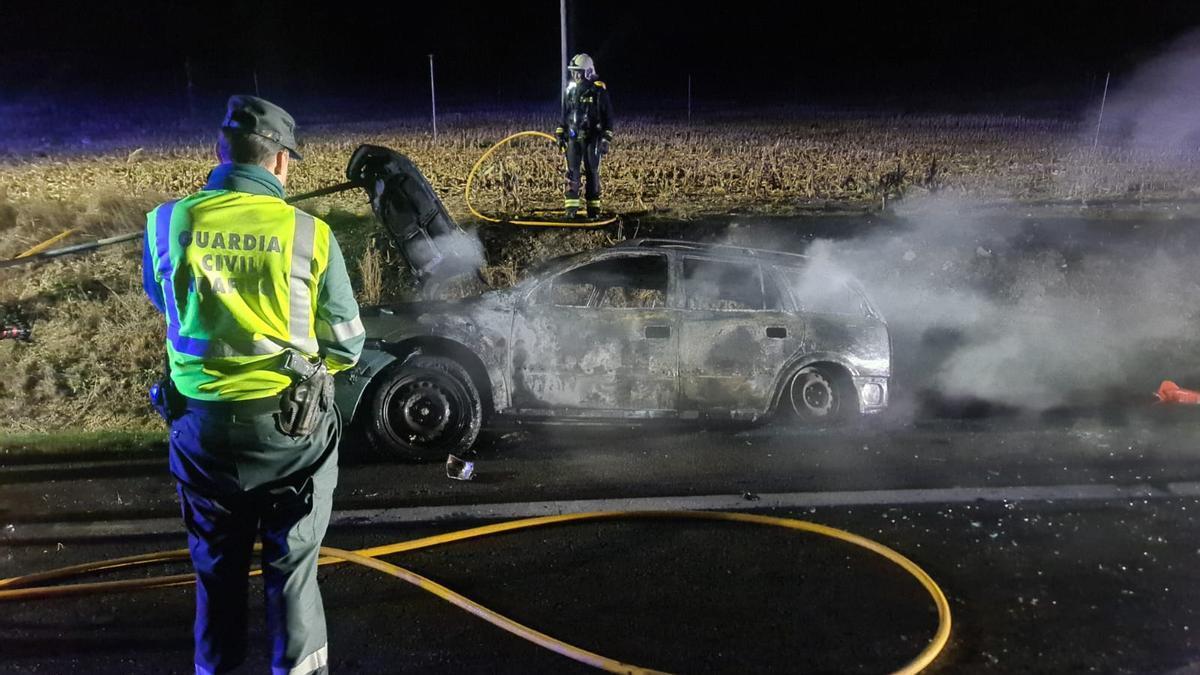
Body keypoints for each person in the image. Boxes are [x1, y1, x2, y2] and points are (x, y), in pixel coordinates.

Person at [142, 94, 364, 675]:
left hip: (200, 427)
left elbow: (164, 299)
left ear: (221, 151)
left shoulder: (167, 222)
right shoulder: (308, 234)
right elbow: (345, 342)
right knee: (292, 570)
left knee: (216, 569)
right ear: (281, 162)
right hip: (290, 433)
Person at [555, 53, 615, 219]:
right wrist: (560, 133)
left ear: (587, 72)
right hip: (573, 138)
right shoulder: (571, 91)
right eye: (574, 72)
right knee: (572, 172)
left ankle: (593, 210)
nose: (575, 75)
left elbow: (608, 118)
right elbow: (565, 115)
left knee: (592, 171)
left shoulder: (597, 91)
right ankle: (571, 210)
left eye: (578, 72)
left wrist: (605, 139)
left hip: (592, 138)